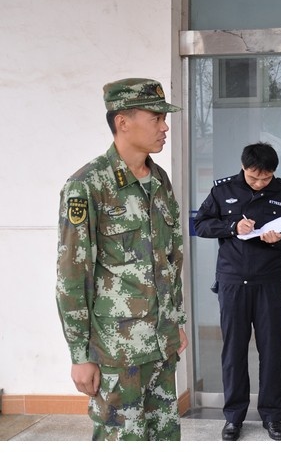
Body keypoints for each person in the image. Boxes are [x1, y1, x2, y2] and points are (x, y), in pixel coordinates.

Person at [56, 78, 188, 441]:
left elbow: (170, 258)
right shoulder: (88, 185)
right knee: (121, 442)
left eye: (164, 118)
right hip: (117, 349)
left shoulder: (159, 179)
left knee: (163, 436)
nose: (164, 127)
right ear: (123, 122)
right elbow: (72, 275)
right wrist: (79, 354)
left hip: (160, 344)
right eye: (156, 118)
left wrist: (175, 321)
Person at [194, 142, 281, 441]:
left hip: (268, 281)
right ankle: (233, 418)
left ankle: (272, 416)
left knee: (270, 350)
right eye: (254, 177)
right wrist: (232, 227)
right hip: (232, 281)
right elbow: (201, 225)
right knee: (234, 351)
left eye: (265, 178)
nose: (259, 183)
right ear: (243, 168)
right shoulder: (222, 190)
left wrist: (276, 238)